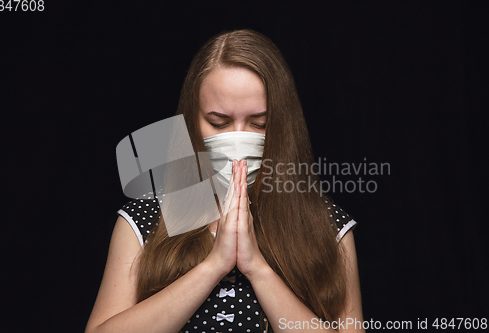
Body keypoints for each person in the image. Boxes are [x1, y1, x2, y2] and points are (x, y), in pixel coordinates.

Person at [86, 29, 364, 333]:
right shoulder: (146, 218)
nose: (238, 140)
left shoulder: (326, 225)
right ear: (192, 120)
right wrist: (213, 265)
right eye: (219, 122)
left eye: (259, 124)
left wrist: (256, 268)